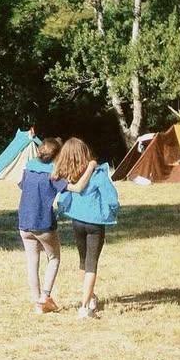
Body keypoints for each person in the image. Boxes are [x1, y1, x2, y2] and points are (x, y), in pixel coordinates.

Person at [53, 137, 120, 318]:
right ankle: (85, 307)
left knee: (83, 262)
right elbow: (111, 197)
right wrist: (114, 211)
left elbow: (64, 197)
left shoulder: (67, 176)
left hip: (77, 222)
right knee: (91, 264)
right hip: (95, 223)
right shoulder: (97, 173)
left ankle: (91, 297)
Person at [16, 136, 66, 314]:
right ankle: (45, 298)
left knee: (32, 262)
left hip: (24, 223)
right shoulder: (54, 172)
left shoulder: (29, 167)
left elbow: (22, 186)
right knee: (54, 258)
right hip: (43, 223)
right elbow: (67, 188)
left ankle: (37, 302)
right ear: (57, 155)